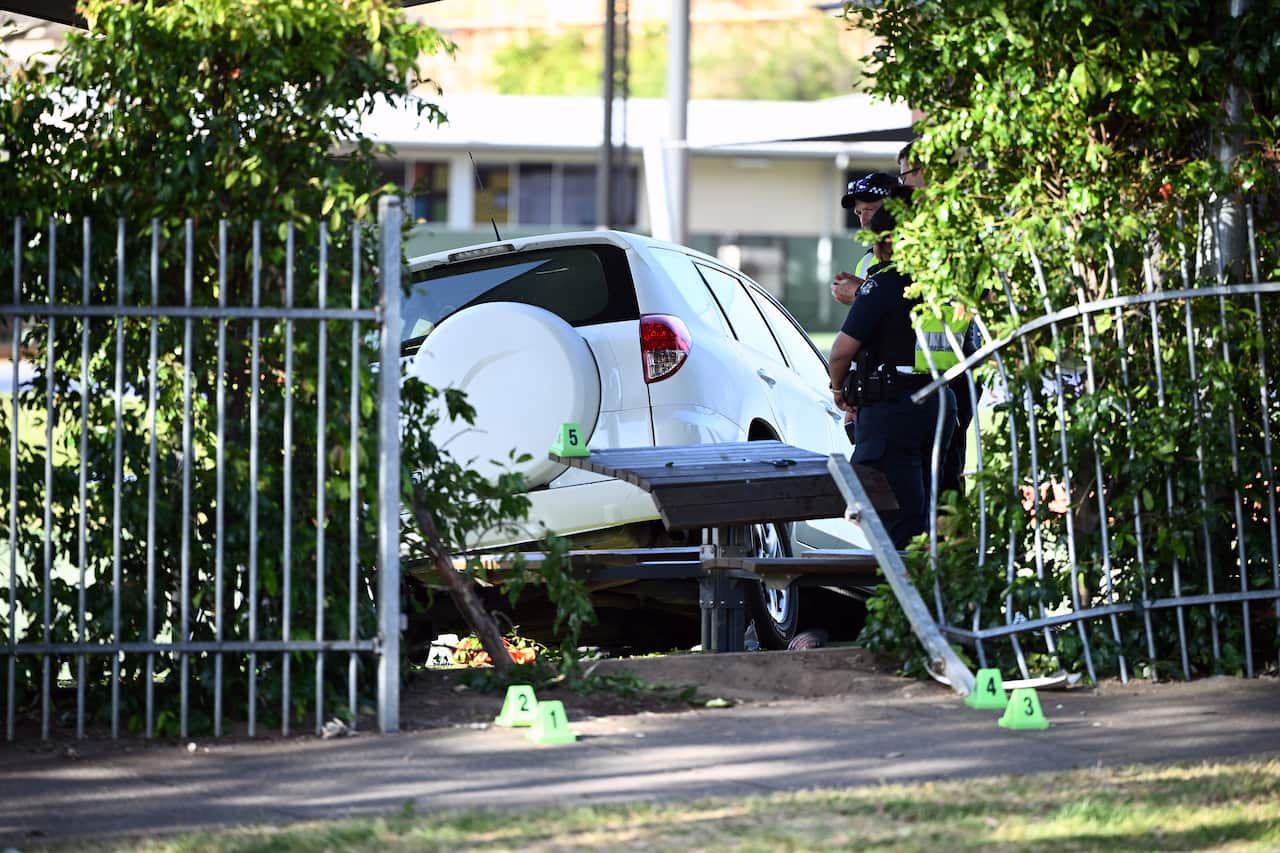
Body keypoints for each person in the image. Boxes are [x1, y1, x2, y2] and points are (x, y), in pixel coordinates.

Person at [828, 205, 955, 549]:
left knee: (895, 518)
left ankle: (904, 597)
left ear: (886, 242)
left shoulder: (883, 283)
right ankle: (931, 588)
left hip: (892, 407)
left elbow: (840, 352)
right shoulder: (940, 282)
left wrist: (839, 388)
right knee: (925, 506)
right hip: (938, 400)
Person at [831, 171, 900, 307]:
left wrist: (860, 291)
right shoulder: (865, 263)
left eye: (870, 209)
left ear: (894, 208)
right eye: (859, 213)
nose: (863, 221)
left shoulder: (916, 253)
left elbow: (903, 309)